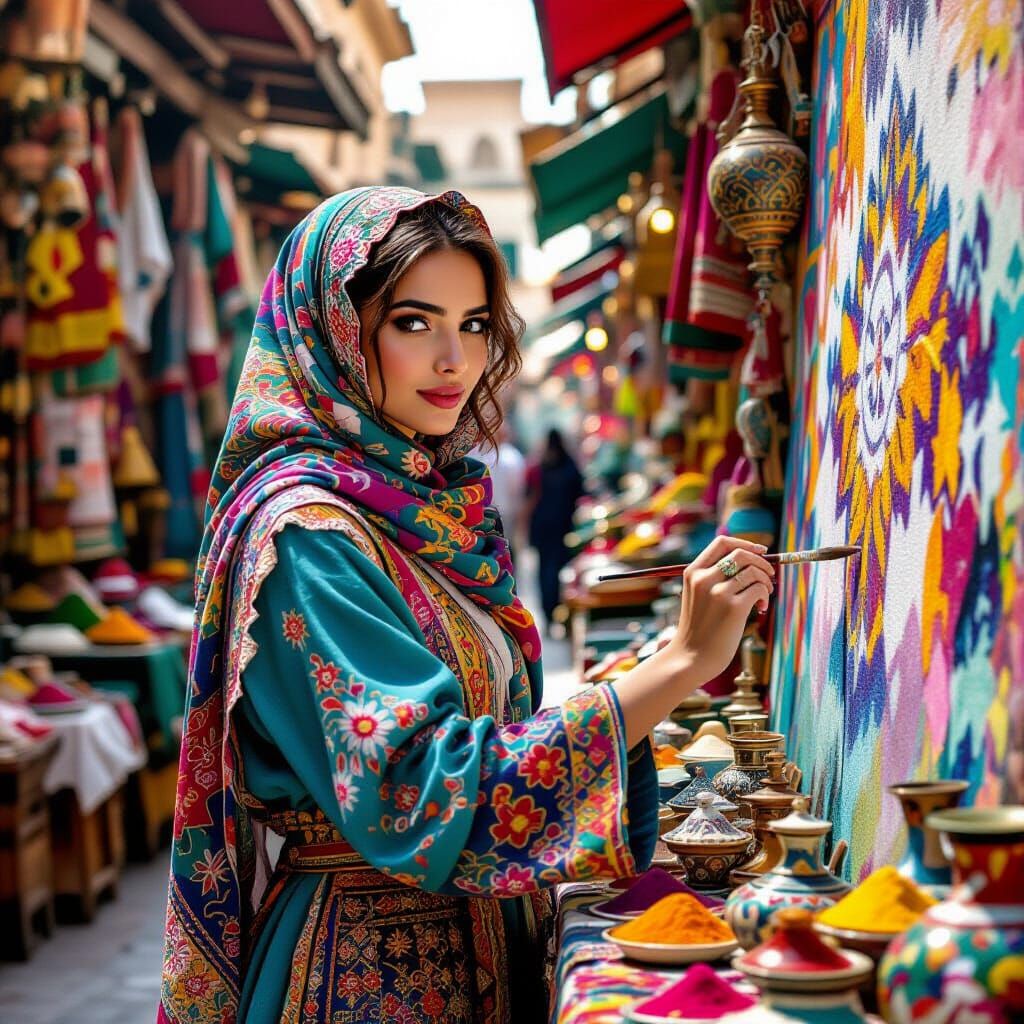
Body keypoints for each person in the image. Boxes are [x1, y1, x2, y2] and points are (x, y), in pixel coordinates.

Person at [158, 187, 775, 1024]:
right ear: (335, 332)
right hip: (367, 979)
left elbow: (489, 739)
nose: (456, 359)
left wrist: (657, 671)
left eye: (475, 324)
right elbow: (425, 791)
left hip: (477, 946)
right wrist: (677, 665)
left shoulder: (416, 511)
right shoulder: (306, 538)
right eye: (414, 323)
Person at [526, 428, 585, 631]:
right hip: (563, 528)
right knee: (561, 570)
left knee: (545, 572)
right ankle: (562, 612)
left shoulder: (539, 467)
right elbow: (581, 492)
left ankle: (549, 614)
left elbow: (530, 497)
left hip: (543, 527)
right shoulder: (569, 467)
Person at [469, 421, 526, 565]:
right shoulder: (512, 456)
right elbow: (518, 489)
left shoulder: (490, 456)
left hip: (492, 510)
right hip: (506, 510)